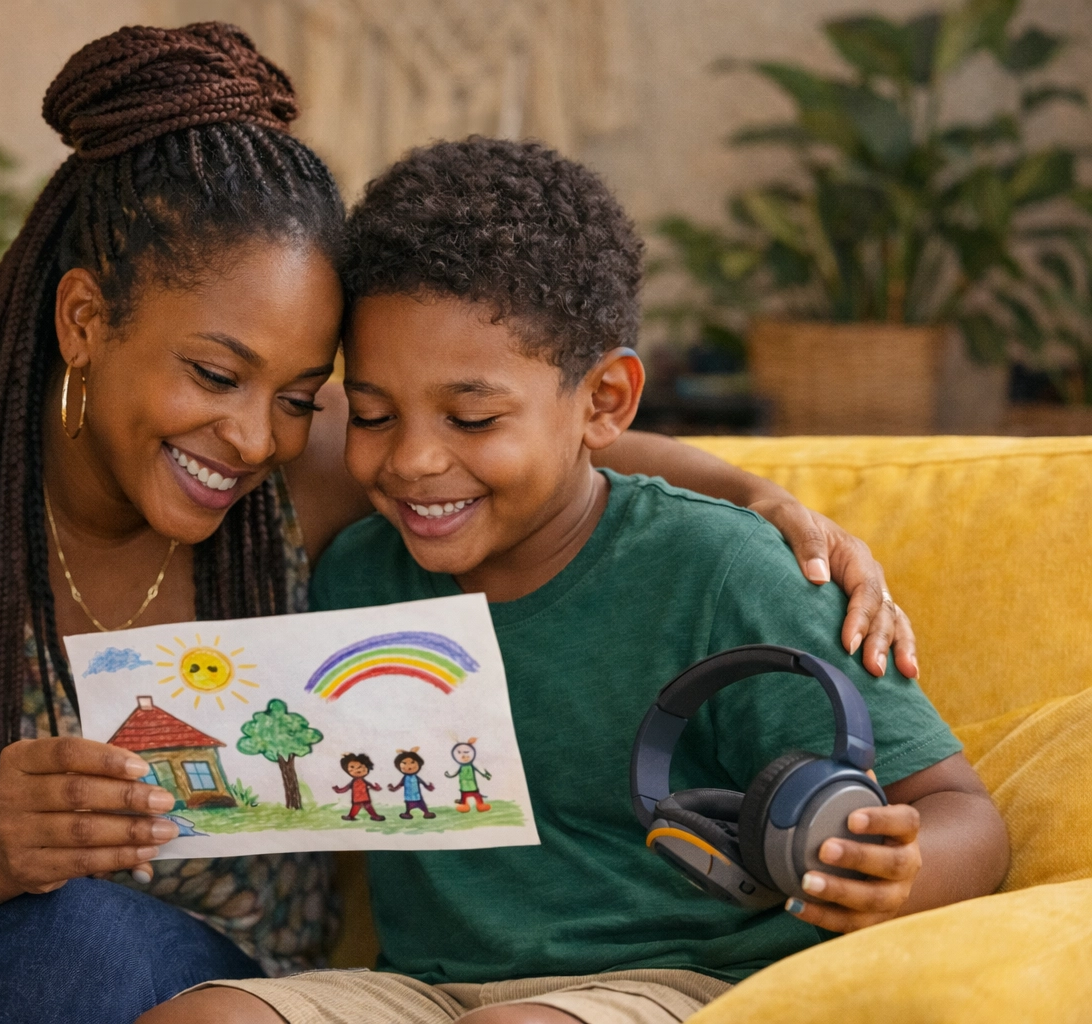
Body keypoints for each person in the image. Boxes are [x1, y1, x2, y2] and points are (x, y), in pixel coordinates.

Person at [0, 26, 917, 1024]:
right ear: (85, 319)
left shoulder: (315, 468)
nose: (257, 439)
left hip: (104, 965)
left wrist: (762, 497)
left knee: (75, 947)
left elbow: (536, 449)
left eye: (303, 397)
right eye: (214, 375)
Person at [140, 139, 1010, 1024]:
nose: (411, 460)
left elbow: (959, 811)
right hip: (420, 991)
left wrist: (896, 873)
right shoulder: (355, 573)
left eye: (472, 417)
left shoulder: (722, 571)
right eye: (371, 413)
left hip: (674, 983)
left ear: (604, 402)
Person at [334, 754, 386, 821]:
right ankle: (350, 816)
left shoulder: (364, 781)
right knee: (355, 808)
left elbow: (371, 786)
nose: (356, 770)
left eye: (360, 767)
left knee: (368, 807)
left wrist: (377, 788)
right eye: (352, 768)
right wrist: (338, 790)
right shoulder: (353, 782)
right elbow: (346, 788)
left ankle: (375, 816)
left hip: (365, 798)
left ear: (367, 768)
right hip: (357, 799)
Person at [446, 740, 491, 812]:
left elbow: (480, 769)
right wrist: (449, 774)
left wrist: (485, 774)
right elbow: (454, 771)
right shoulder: (459, 766)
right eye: (463, 757)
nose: (465, 758)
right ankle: (464, 805)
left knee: (476, 794)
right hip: (463, 785)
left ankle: (480, 804)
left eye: (467, 756)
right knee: (464, 795)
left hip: (472, 784)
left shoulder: (473, 764)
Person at [390, 749, 435, 819]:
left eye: (412, 762)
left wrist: (428, 787)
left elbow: (423, 783)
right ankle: (407, 813)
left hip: (417, 796)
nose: (409, 766)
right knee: (408, 805)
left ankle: (426, 813)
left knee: (422, 804)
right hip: (408, 796)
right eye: (404, 763)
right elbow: (400, 784)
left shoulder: (416, 778)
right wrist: (394, 788)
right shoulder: (405, 778)